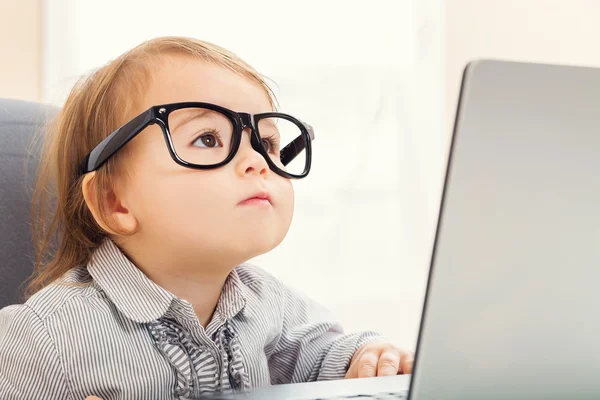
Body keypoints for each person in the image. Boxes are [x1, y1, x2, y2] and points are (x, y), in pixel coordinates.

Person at [0, 37, 413, 400]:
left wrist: (368, 356)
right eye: (207, 138)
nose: (257, 161)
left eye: (267, 141)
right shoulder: (41, 340)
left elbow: (323, 355)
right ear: (114, 202)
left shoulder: (269, 302)